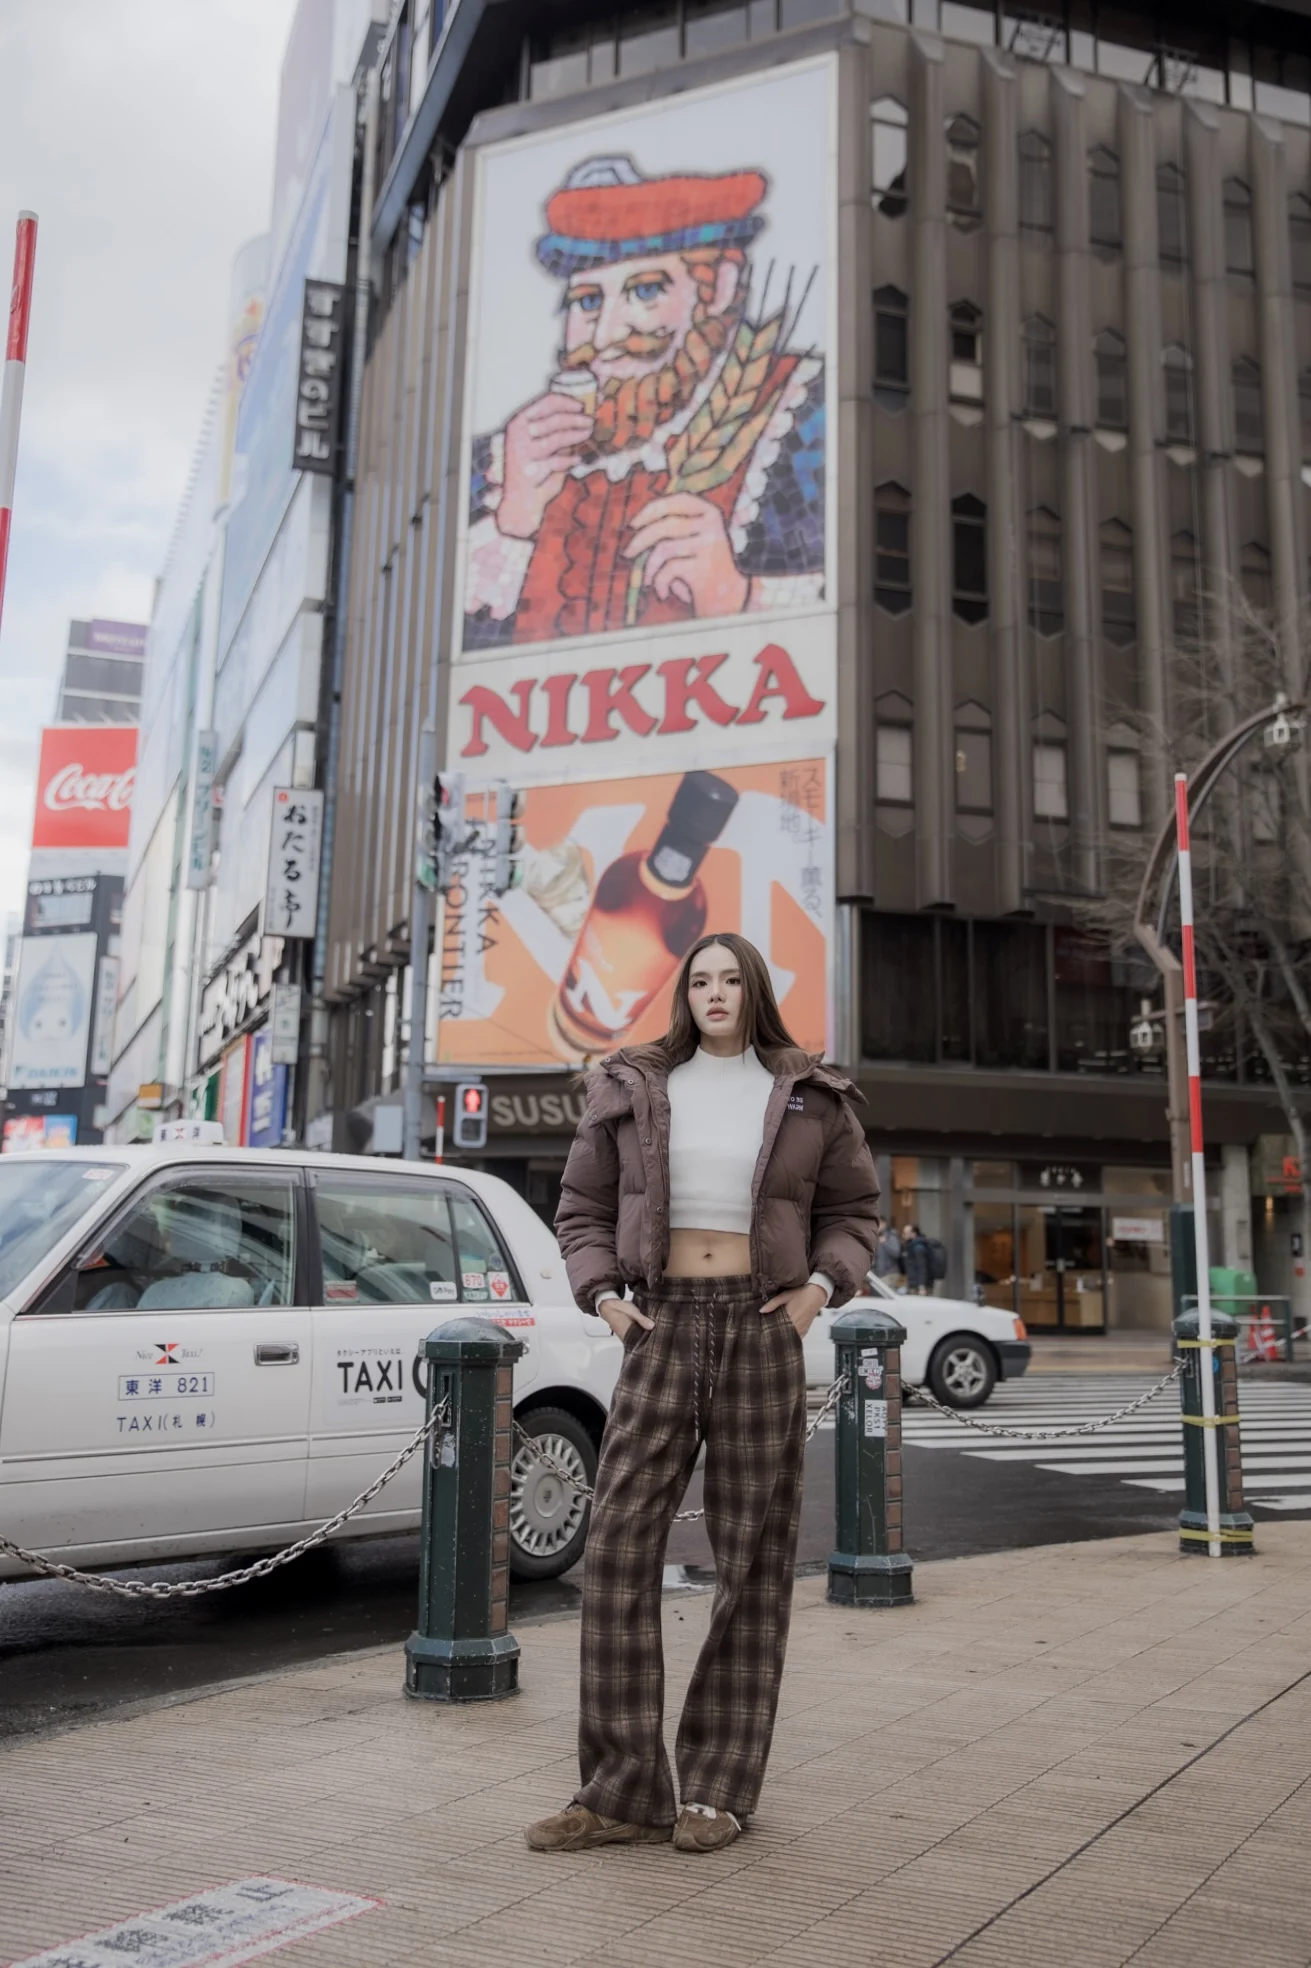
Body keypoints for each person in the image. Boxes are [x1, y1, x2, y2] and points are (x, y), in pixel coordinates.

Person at [525, 932, 878, 1857]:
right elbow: (581, 1210)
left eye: (730, 979)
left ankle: (718, 1788)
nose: (714, 993)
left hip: (762, 1327)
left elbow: (853, 1213)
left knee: (751, 1561)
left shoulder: (809, 1095)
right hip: (660, 1323)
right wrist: (604, 1297)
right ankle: (621, 1791)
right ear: (683, 994)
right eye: (700, 981)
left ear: (754, 990)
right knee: (615, 1547)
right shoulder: (633, 1086)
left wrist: (816, 1292)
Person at [464, 154, 825, 650]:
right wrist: (513, 526)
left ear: (719, 288)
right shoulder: (503, 461)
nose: (607, 335)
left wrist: (741, 595)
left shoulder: (803, 415)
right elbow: (432, 658)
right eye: (588, 301)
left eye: (646, 291)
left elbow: (858, 609)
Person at [902, 1223, 931, 1295]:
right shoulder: (909, 1246)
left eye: (906, 1233)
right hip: (912, 1283)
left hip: (918, 1286)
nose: (904, 1235)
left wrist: (922, 1287)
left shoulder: (919, 1248)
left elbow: (922, 1267)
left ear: (913, 1233)